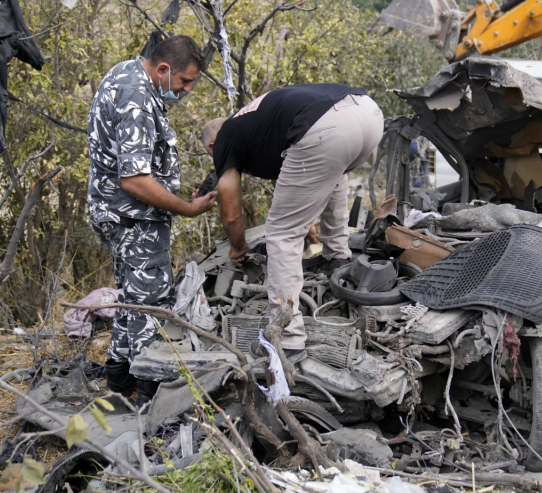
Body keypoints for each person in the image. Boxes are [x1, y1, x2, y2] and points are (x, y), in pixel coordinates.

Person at [202, 84, 383, 353]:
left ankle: (287, 339)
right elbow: (305, 182)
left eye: (212, 154)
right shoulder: (257, 122)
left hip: (325, 129)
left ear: (213, 144)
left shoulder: (226, 137)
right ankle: (338, 256)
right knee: (336, 174)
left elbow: (230, 214)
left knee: (281, 233)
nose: (218, 159)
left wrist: (239, 246)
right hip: (368, 115)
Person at [88, 35, 217, 406]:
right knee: (151, 306)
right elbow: (135, 180)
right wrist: (186, 208)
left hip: (115, 214)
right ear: (163, 69)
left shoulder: (123, 73)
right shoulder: (139, 100)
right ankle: (149, 400)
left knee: (130, 298)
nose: (187, 90)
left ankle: (118, 382)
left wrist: (174, 196)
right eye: (184, 81)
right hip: (134, 219)